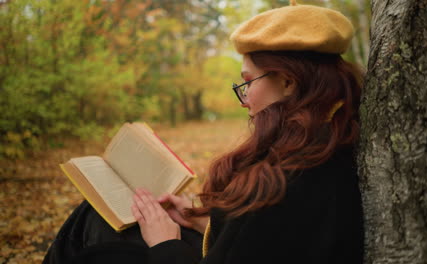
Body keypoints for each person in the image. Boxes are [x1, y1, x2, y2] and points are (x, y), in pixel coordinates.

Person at [43, 1, 365, 263]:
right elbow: (256, 241)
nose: (244, 100)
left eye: (247, 82)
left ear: (288, 82)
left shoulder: (300, 176)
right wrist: (203, 222)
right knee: (97, 214)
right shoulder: (317, 146)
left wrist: (166, 243)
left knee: (95, 231)